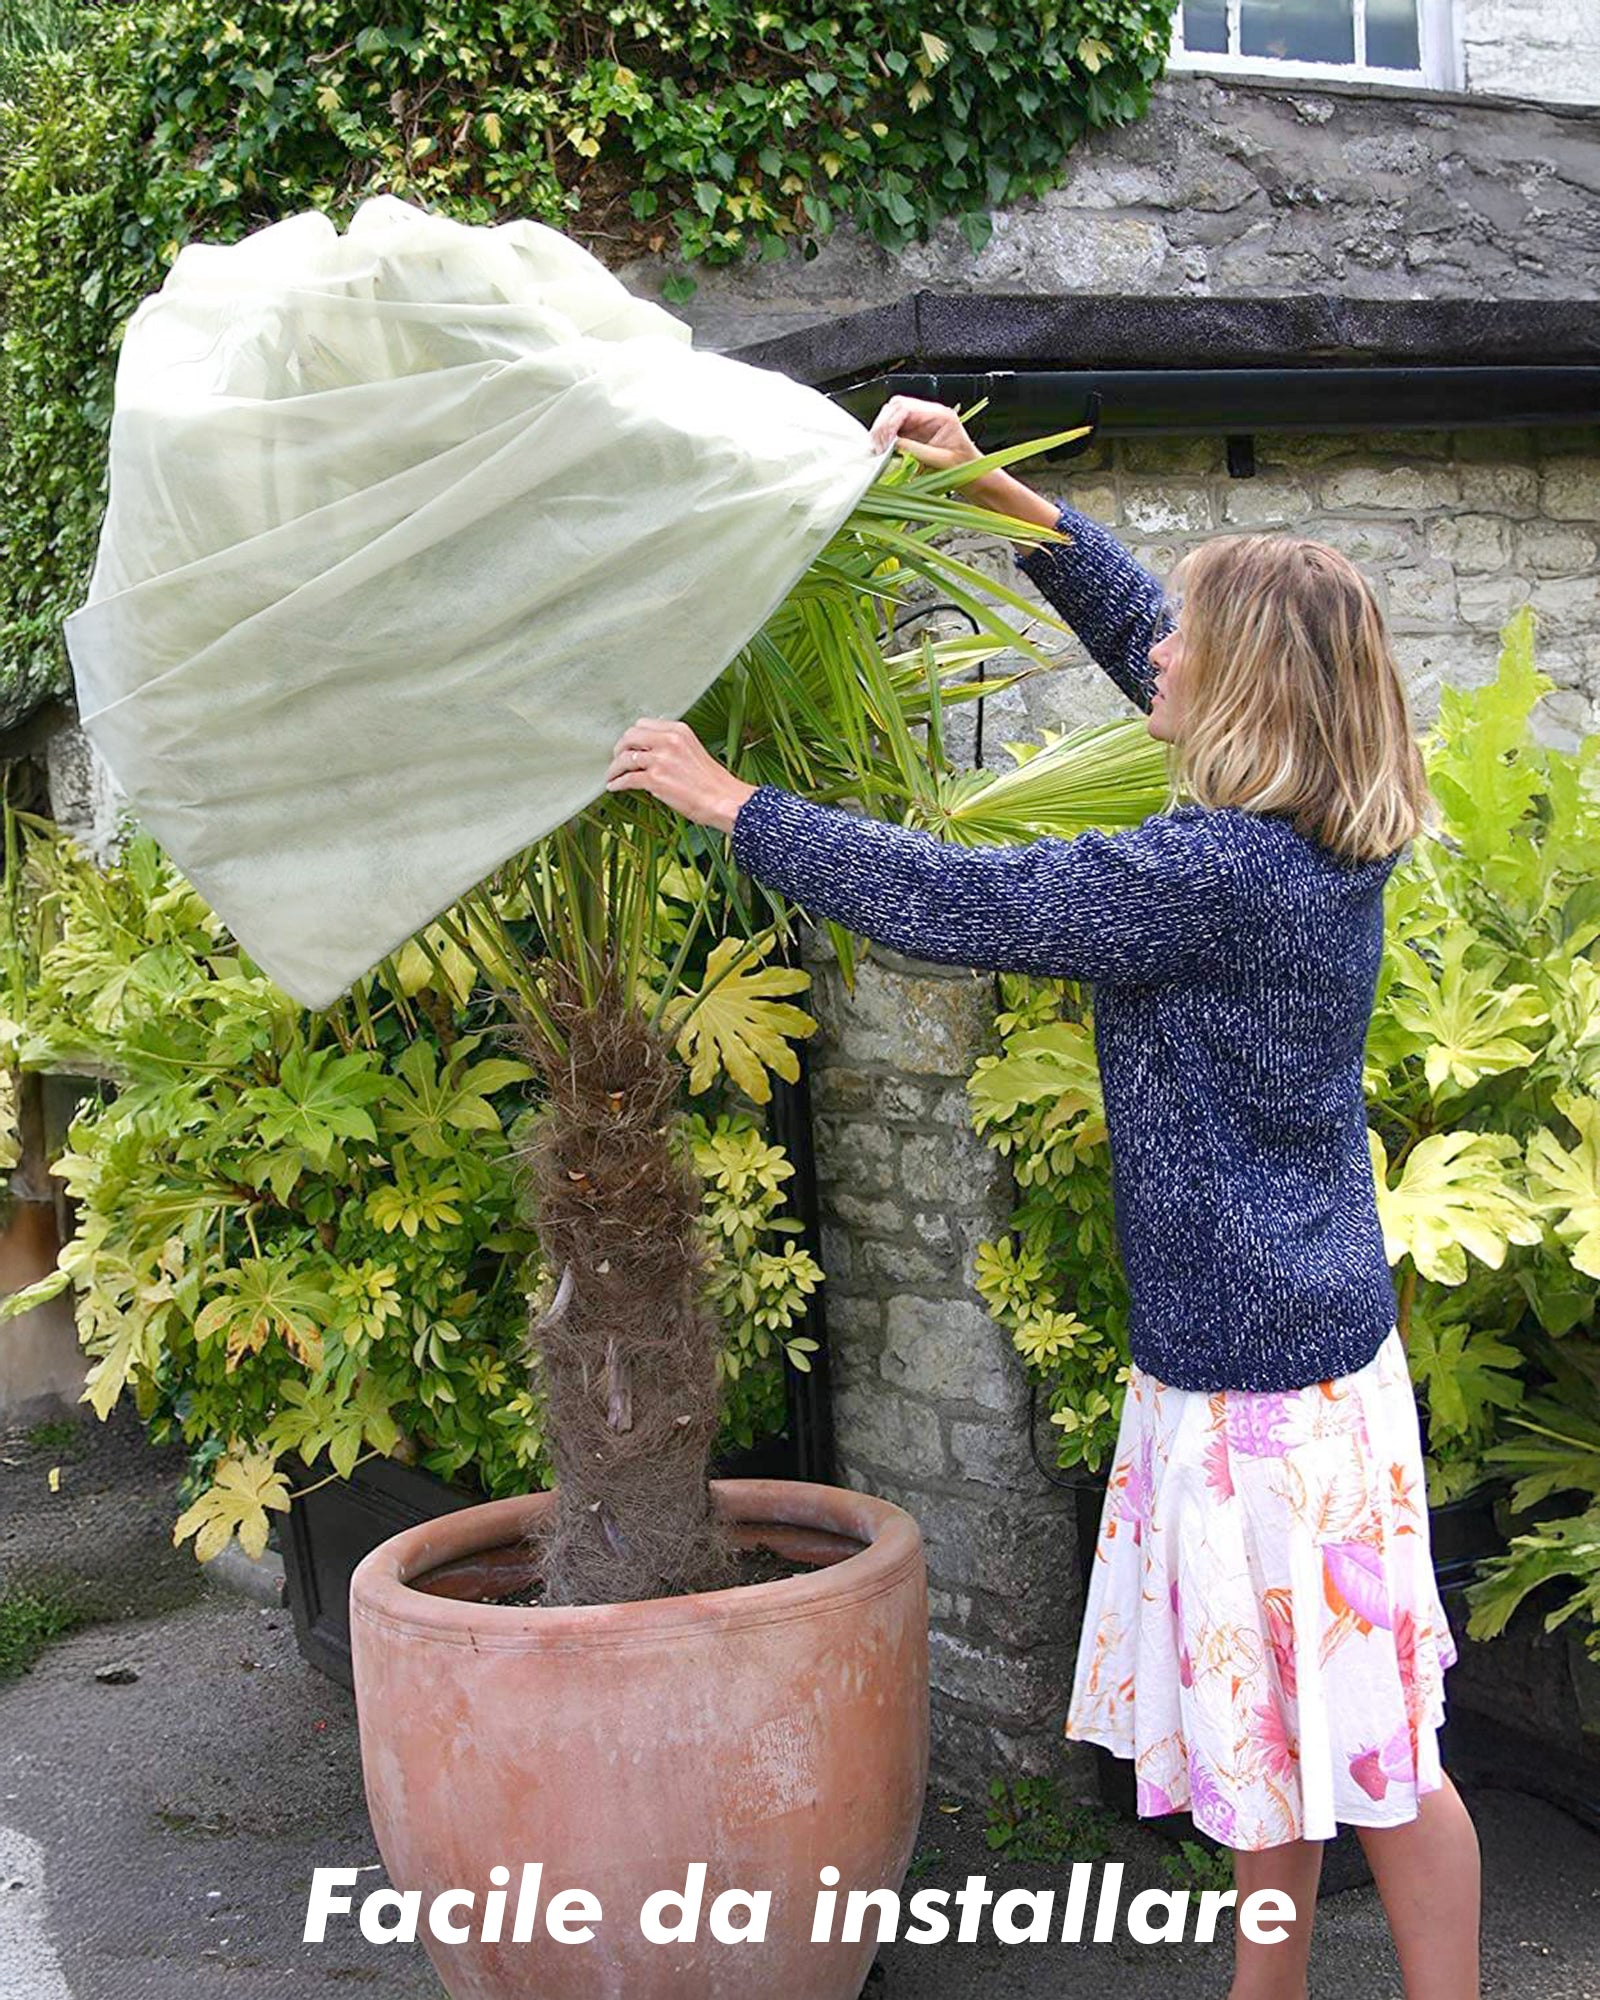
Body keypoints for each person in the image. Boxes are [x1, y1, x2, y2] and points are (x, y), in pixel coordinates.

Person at [605, 396, 1480, 2000]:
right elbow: (1148, 613)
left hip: (1264, 1397)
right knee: (1273, 1727)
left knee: (1378, 1754)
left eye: (1187, 653)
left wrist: (734, 806)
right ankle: (1264, 1990)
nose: (1157, 659)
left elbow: (957, 894)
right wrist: (995, 492)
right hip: (1294, 1356)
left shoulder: (1210, 878)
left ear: (1249, 695)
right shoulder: (1314, 826)